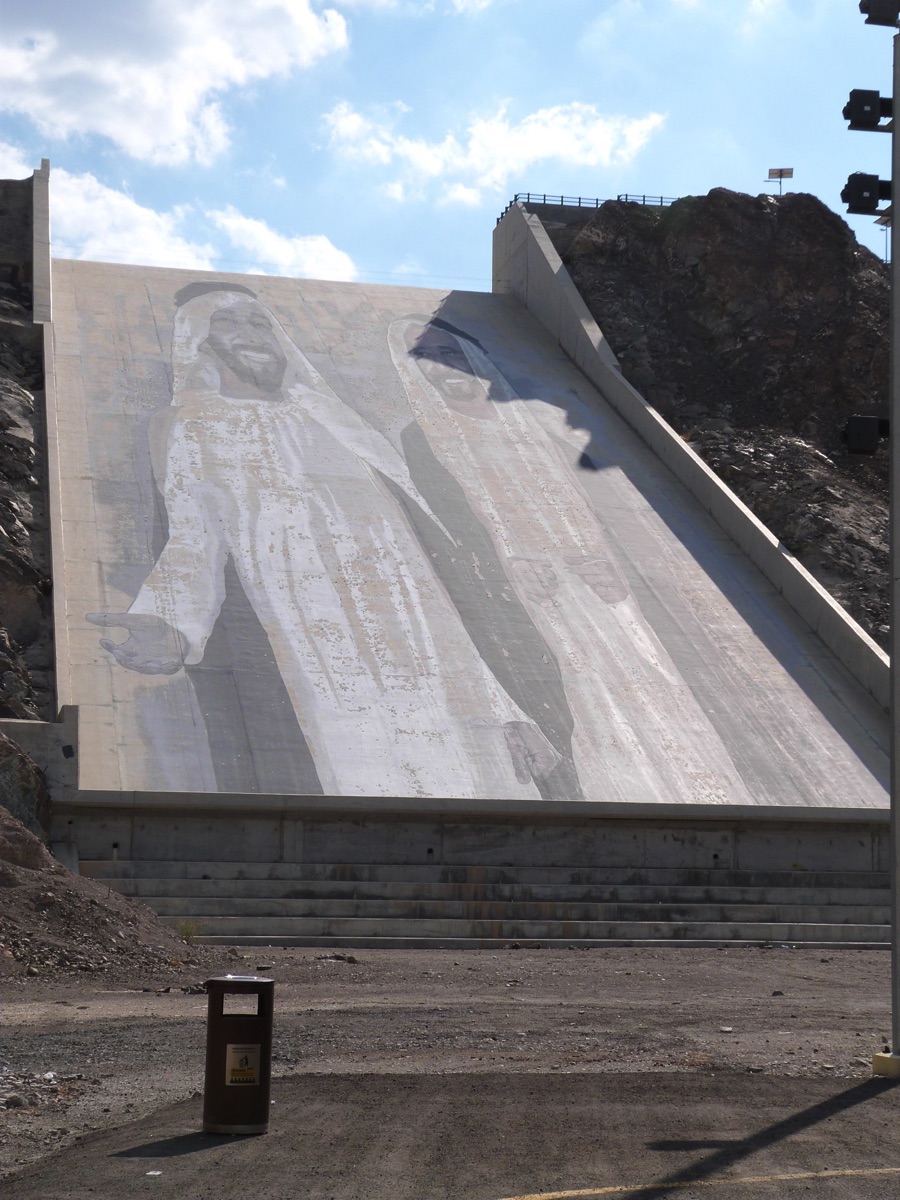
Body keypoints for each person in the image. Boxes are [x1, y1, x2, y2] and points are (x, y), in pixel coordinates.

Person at [88, 283, 559, 799]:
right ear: (197, 339)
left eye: (259, 323)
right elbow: (193, 540)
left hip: (420, 629)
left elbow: (435, 570)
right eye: (228, 323)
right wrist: (172, 622)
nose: (250, 335)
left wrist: (504, 708)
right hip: (316, 640)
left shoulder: (335, 418)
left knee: (486, 782)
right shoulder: (192, 426)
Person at [389, 315, 753, 805]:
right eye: (423, 357)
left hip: (607, 591)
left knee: (657, 691)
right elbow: (451, 539)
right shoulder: (422, 438)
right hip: (533, 601)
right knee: (586, 704)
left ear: (473, 355)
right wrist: (508, 574)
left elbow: (623, 506)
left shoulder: (544, 424)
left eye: (447, 350)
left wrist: (620, 570)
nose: (439, 365)